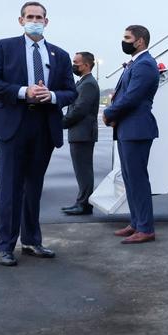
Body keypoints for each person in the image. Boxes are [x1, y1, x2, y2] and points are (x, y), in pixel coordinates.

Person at [0, 1, 77, 266]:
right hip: (13, 124)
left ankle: (32, 241)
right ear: (21, 20)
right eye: (30, 16)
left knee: (34, 187)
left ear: (47, 22)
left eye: (40, 17)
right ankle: (6, 246)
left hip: (43, 126)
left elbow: (72, 91)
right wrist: (24, 91)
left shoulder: (59, 54)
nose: (35, 20)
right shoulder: (4, 46)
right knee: (11, 188)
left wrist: (53, 95)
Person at [103, 25, 159, 244]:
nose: (123, 41)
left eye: (127, 38)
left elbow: (132, 97)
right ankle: (136, 222)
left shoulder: (145, 64)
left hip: (137, 129)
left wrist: (109, 112)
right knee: (129, 179)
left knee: (137, 179)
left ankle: (146, 228)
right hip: (127, 128)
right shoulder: (136, 63)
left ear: (140, 41)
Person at [61, 51, 100, 215]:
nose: (74, 65)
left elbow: (80, 110)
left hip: (83, 133)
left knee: (83, 170)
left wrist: (61, 122)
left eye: (76, 62)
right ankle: (82, 202)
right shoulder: (83, 82)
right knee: (81, 170)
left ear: (86, 65)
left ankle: (84, 204)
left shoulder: (89, 84)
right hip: (79, 133)